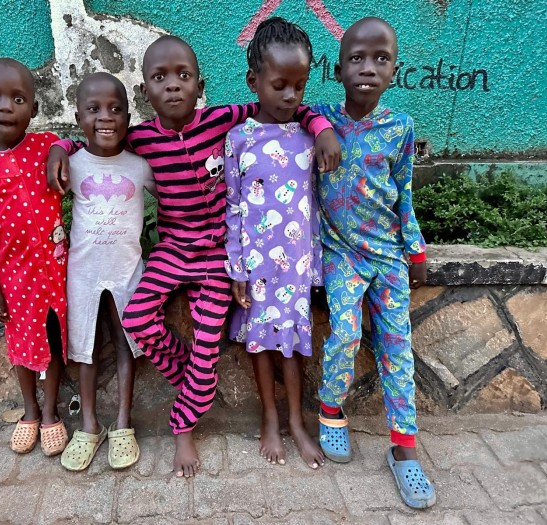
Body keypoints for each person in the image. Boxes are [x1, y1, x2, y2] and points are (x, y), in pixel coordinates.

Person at [47, 35, 341, 477]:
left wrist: (321, 128)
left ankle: (182, 425)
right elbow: (94, 139)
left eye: (183, 76)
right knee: (136, 318)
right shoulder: (141, 137)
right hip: (173, 250)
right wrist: (60, 147)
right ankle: (194, 374)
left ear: (200, 86)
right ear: (144, 92)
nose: (172, 85)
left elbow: (286, 106)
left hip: (218, 255)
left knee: (208, 349)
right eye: (160, 78)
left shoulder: (221, 119)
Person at [313, 17, 436, 508]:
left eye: (380, 59)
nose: (368, 68)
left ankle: (404, 448)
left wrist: (415, 248)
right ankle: (330, 410)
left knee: (397, 346)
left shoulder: (399, 127)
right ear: (338, 69)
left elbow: (404, 191)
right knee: (344, 333)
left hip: (386, 255)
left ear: (394, 71)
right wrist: (321, 128)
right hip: (340, 253)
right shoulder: (319, 118)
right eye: (357, 59)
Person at [225, 17, 325, 470]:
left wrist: (315, 264)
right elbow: (233, 206)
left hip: (296, 265)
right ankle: (269, 418)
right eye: (279, 85)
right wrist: (236, 267)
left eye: (299, 87)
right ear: (254, 82)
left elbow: (315, 203)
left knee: (295, 346)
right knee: (261, 343)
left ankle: (297, 422)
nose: (290, 96)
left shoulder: (309, 138)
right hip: (257, 266)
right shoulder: (238, 139)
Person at [0, 58, 68, 457]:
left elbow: (67, 144)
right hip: (15, 278)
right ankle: (30, 410)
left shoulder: (45, 147)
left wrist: (60, 147)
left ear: (35, 108)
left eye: (19, 99)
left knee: (53, 340)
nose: (7, 106)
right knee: (21, 344)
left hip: (55, 272)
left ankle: (51, 412)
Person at [59, 72, 156, 472]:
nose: (105, 117)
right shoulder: (71, 165)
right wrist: (60, 147)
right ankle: (88, 425)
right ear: (79, 117)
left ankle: (123, 422)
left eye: (116, 109)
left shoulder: (139, 166)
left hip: (126, 270)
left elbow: (173, 196)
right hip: (82, 273)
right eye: (94, 109)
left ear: (128, 118)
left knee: (124, 343)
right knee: (85, 347)